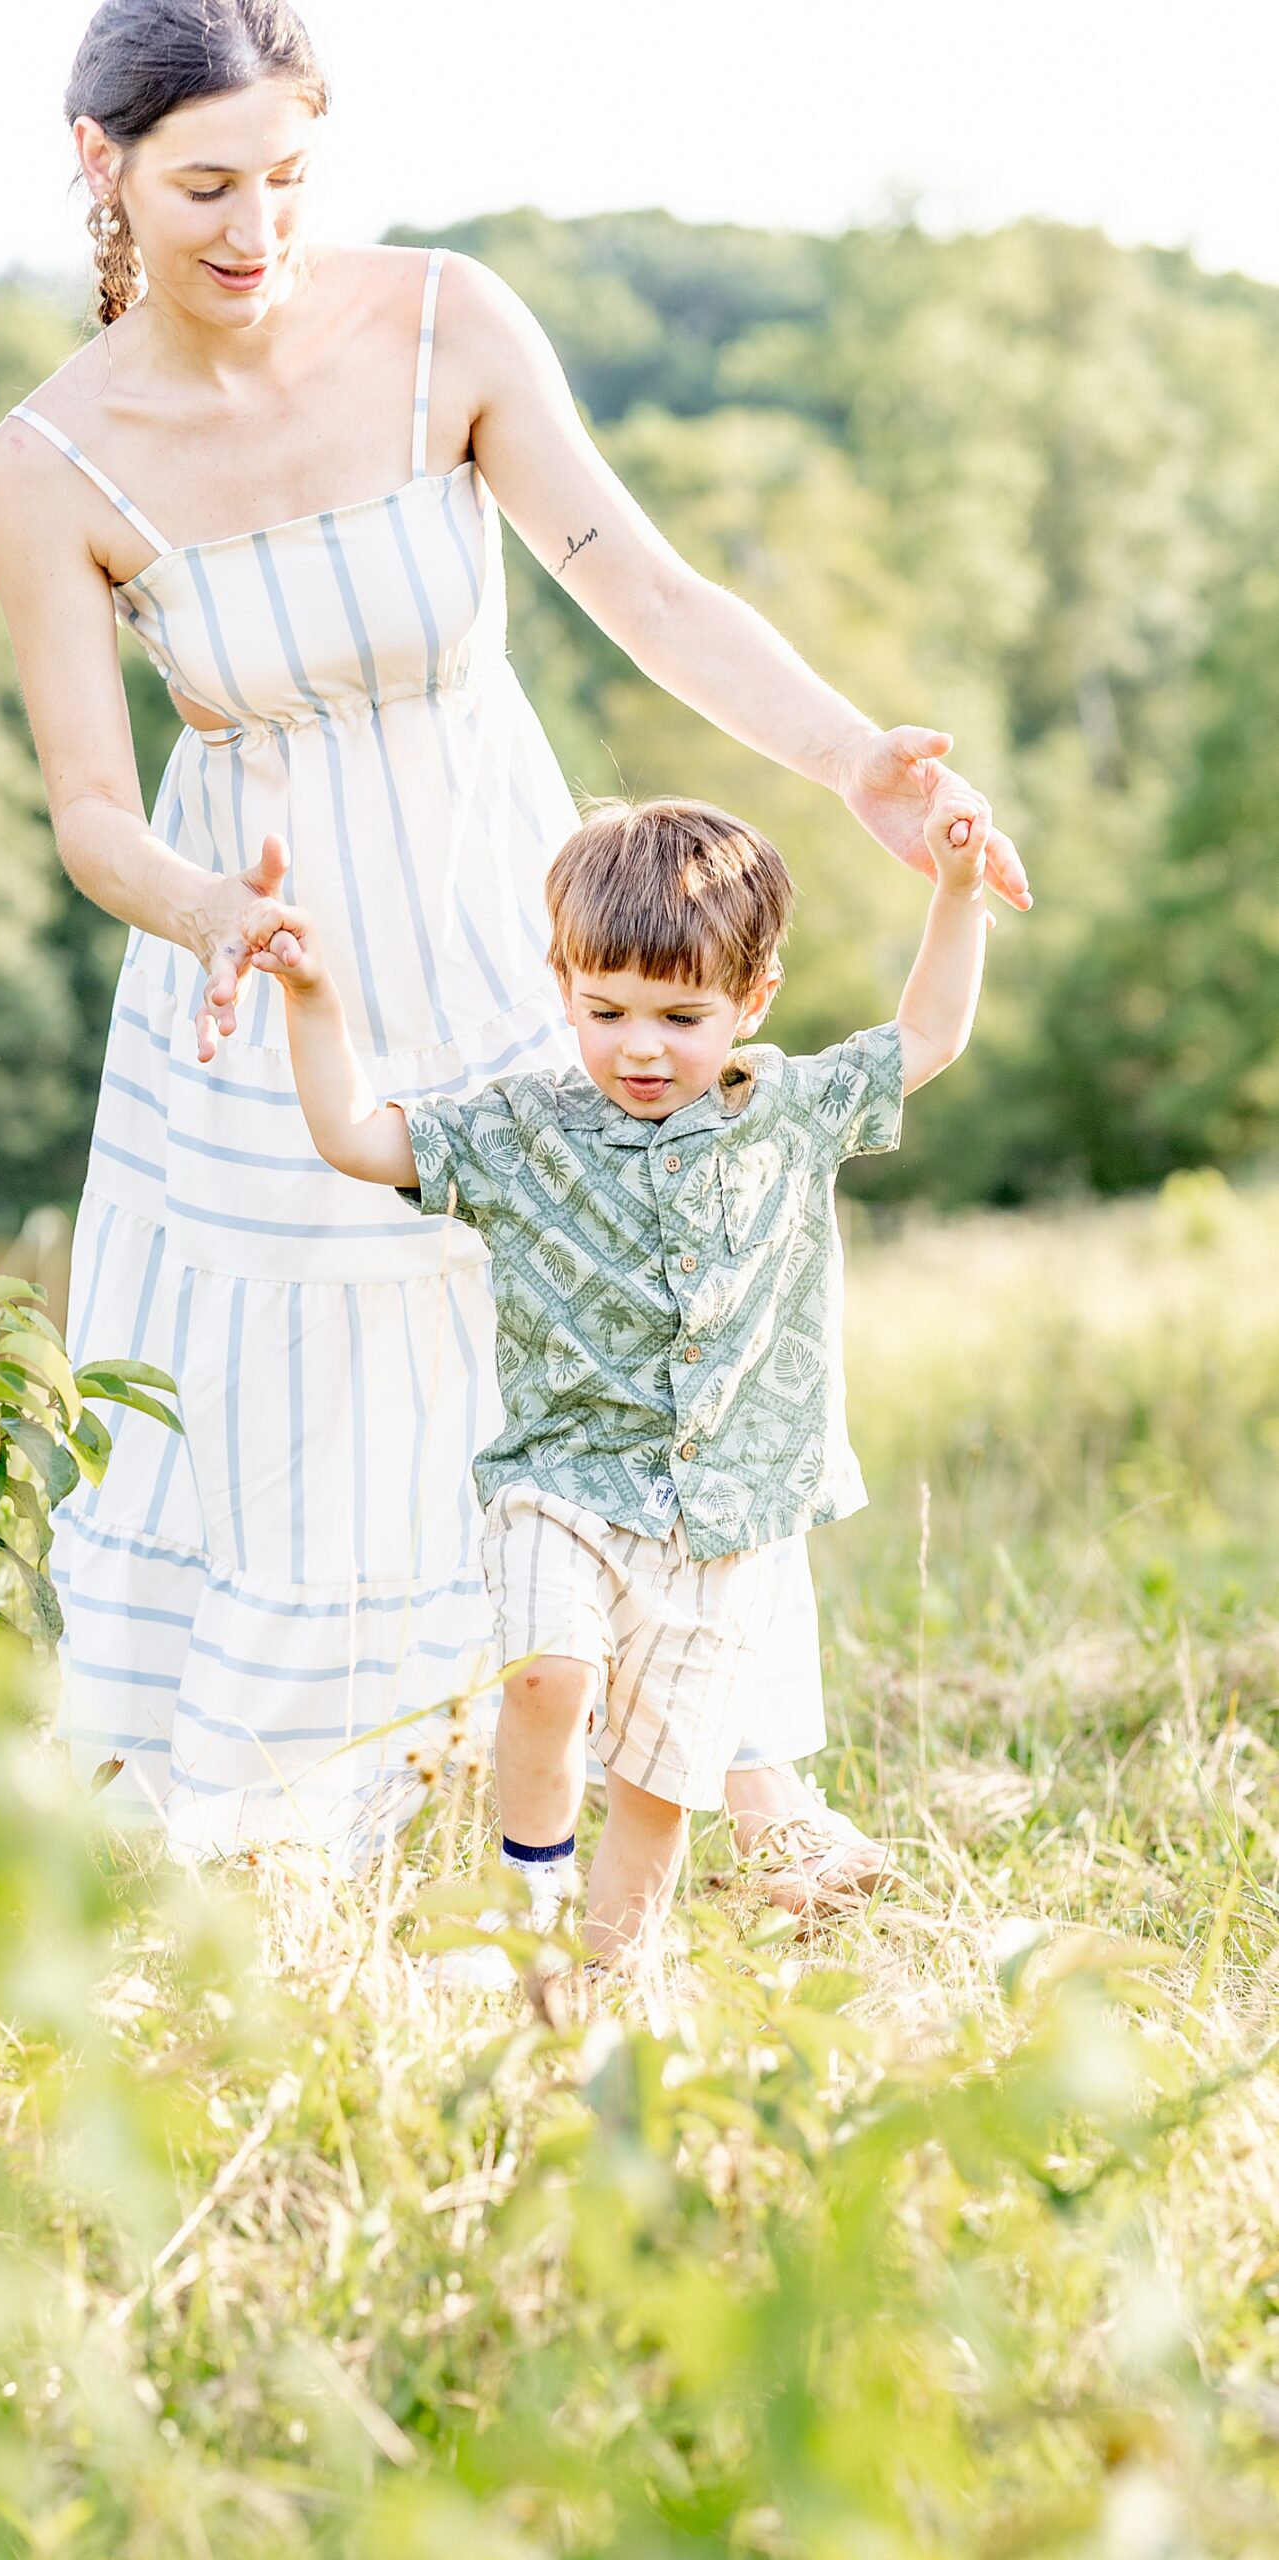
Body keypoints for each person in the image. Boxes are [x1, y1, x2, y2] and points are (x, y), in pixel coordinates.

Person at [0, 0, 1028, 1863]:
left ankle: (735, 1765)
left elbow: (646, 589)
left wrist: (853, 753)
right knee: (317, 1351)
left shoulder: (443, 322)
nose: (254, 230)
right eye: (206, 187)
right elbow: (87, 812)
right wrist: (208, 906)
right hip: (268, 944)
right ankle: (355, 1778)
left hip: (497, 892)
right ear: (101, 166)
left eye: (288, 179)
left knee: (621, 1290)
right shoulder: (51, 462)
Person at [265, 784, 992, 1961]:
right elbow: (357, 1134)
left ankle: (596, 1986)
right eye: (604, 1010)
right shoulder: (523, 1128)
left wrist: (958, 891)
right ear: (564, 985)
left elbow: (928, 1036)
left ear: (752, 1001)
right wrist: (314, 996)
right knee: (549, 1675)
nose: (639, 1045)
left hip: (729, 1517)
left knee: (661, 1792)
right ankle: (523, 1904)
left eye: (680, 1015)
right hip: (564, 1482)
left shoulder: (790, 1110)